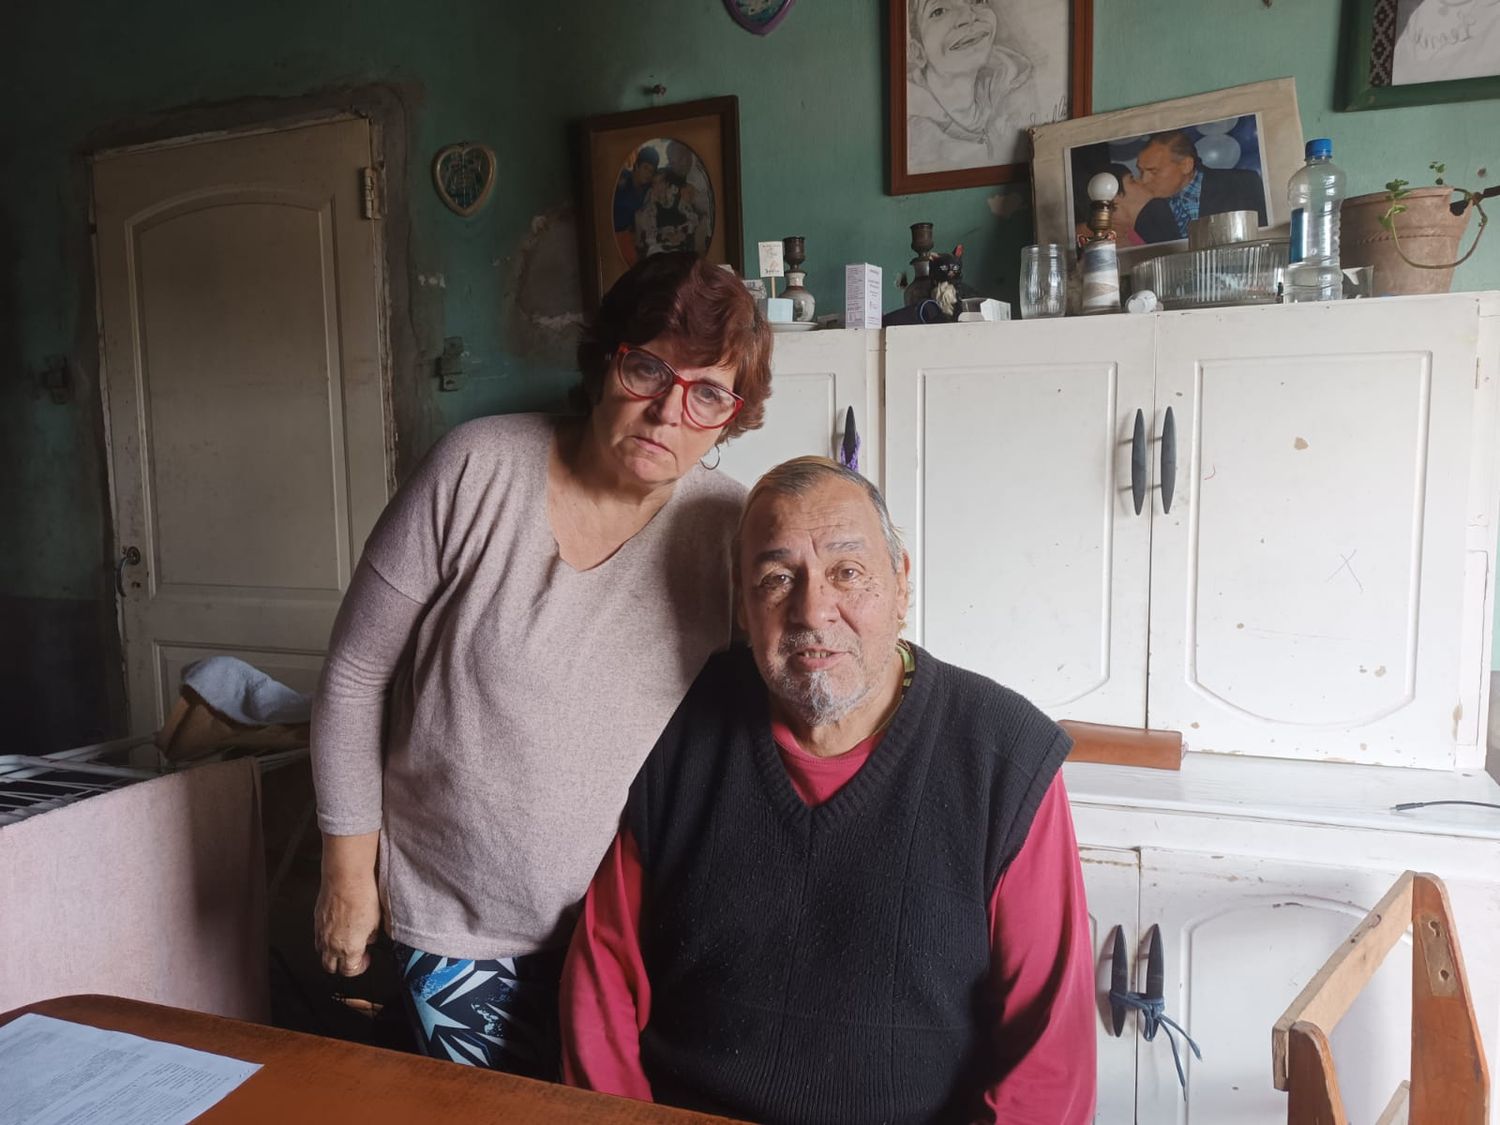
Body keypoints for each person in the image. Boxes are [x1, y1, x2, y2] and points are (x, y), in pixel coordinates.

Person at [309, 252, 773, 1079]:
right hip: (458, 926)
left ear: (729, 418)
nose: (670, 410)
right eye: (648, 370)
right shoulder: (474, 468)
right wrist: (349, 875)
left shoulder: (731, 531)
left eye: (707, 392)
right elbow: (351, 676)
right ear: (605, 363)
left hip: (637, 937)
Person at [561, 457, 1096, 1124]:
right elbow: (602, 979)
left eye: (848, 572)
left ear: (901, 585)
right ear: (744, 605)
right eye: (777, 578)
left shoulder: (1003, 757)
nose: (813, 610)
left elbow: (1048, 1065)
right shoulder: (679, 726)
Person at [905, 0, 1045, 174]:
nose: (969, 16)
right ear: (918, 52)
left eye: (976, 0)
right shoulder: (913, 130)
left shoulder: (1016, 84)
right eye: (939, 11)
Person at [1125, 130, 1267, 244]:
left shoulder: (1241, 185)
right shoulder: (1147, 215)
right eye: (1141, 171)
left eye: (1153, 171)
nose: (1144, 180)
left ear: (1186, 165)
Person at [612, 145, 659, 266]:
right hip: (613, 235)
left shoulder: (647, 187)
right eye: (645, 168)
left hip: (633, 235)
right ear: (636, 165)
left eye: (651, 171)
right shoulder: (621, 179)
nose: (648, 174)